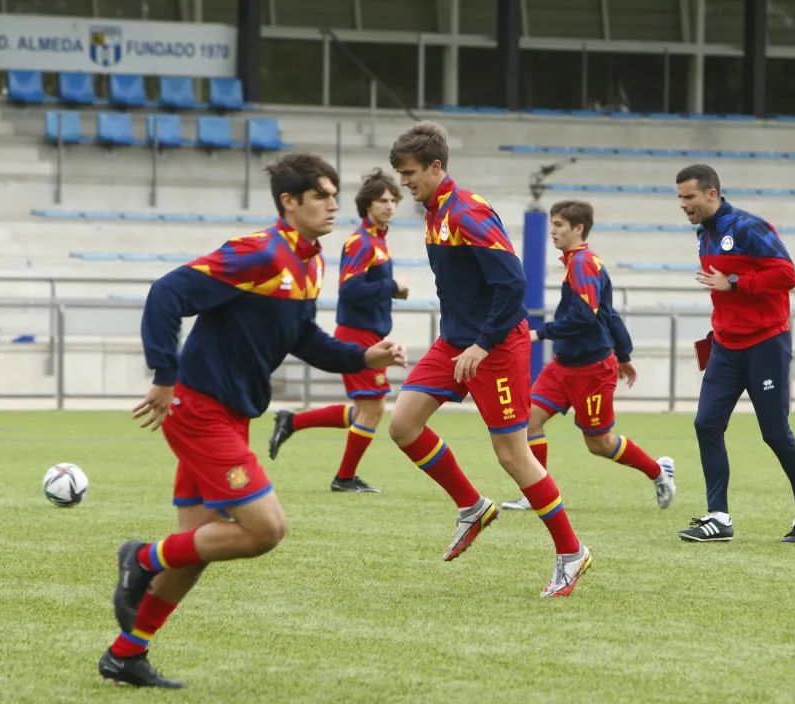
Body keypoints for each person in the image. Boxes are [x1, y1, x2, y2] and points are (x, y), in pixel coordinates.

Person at [100, 153, 407, 688]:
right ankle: (141, 557)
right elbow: (167, 292)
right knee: (266, 529)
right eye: (321, 196)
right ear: (289, 202)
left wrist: (364, 356)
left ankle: (126, 655)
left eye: (335, 195)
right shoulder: (259, 252)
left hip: (232, 412)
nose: (333, 204)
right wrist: (164, 374)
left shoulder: (310, 261)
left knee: (196, 549)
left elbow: (304, 338)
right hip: (199, 410)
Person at [387, 122, 592, 597]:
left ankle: (572, 552)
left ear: (436, 167)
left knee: (513, 455)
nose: (404, 182)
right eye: (400, 173)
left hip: (494, 347)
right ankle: (472, 507)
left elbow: (513, 283)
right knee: (403, 425)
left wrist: (481, 345)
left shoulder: (467, 212)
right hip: (454, 343)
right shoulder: (434, 211)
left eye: (410, 172)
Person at [673, 164, 795, 544]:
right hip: (726, 346)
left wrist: (735, 282)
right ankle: (718, 518)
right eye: (680, 198)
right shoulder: (704, 235)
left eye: (689, 197)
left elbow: (787, 275)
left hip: (766, 345)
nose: (683, 204)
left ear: (711, 194)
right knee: (706, 424)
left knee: (775, 433)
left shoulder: (749, 228)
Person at [500, 200, 676, 512]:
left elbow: (585, 316)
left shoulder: (583, 264)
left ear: (578, 228)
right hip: (562, 366)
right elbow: (609, 314)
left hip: (592, 370)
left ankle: (658, 471)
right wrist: (625, 354)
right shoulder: (577, 262)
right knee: (529, 421)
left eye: (559, 225)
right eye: (552, 224)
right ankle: (536, 494)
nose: (553, 231)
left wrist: (540, 333)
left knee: (599, 444)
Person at [268, 169, 410, 493]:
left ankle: (292, 421)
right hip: (358, 333)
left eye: (393, 200)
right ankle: (344, 478)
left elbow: (366, 287)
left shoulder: (377, 240)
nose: (389, 206)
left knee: (363, 409)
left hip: (367, 332)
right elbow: (349, 289)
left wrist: (391, 291)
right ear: (367, 205)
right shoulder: (362, 242)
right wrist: (392, 286)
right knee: (373, 408)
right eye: (382, 200)